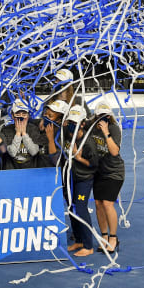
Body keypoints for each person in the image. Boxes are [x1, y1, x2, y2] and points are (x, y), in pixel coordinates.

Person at [62, 105, 99, 257]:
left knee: (81, 208)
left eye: (75, 123)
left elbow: (94, 164)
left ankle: (88, 245)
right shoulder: (66, 134)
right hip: (70, 178)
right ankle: (78, 240)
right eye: (70, 122)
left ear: (83, 124)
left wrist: (79, 158)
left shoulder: (88, 142)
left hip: (84, 180)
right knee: (71, 208)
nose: (72, 125)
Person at [90, 102, 124, 253]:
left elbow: (114, 151)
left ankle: (113, 237)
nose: (103, 119)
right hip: (98, 171)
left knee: (108, 203)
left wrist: (106, 133)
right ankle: (103, 236)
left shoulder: (114, 128)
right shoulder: (90, 127)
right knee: (98, 204)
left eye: (106, 116)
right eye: (100, 116)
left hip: (114, 172)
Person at [2, 99, 44, 169]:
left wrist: (24, 134)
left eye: (24, 114)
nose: (21, 117)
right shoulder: (6, 130)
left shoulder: (34, 129)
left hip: (30, 171)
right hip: (11, 171)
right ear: (12, 115)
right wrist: (18, 134)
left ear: (28, 116)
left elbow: (34, 152)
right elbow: (12, 153)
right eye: (17, 114)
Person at [37, 99, 69, 167]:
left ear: (59, 120)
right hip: (38, 170)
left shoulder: (61, 135)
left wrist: (51, 140)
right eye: (46, 113)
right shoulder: (41, 125)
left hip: (52, 172)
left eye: (50, 116)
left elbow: (56, 161)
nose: (46, 117)